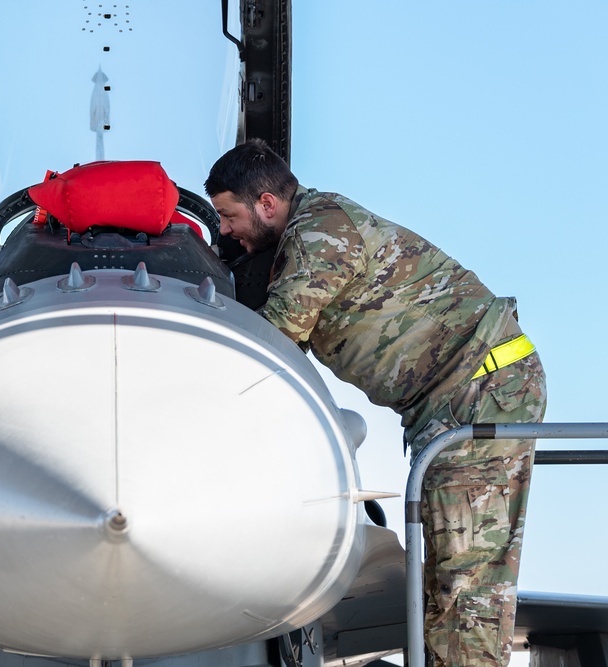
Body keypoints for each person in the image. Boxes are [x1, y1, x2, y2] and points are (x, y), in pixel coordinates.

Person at [205, 139, 546, 667]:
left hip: (480, 391)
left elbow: (276, 339)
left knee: (466, 580)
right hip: (458, 399)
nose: (224, 229)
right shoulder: (304, 234)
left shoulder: (323, 231)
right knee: (447, 576)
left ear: (267, 204)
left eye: (228, 216)